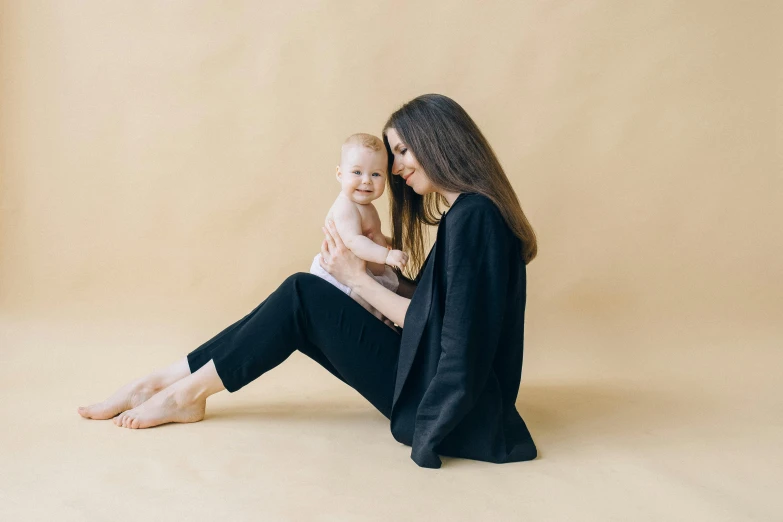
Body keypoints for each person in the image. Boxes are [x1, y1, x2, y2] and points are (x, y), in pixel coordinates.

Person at [77, 94, 539, 469]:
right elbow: (443, 311)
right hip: (438, 380)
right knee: (301, 297)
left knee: (303, 293)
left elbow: (447, 334)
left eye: (401, 150)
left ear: (437, 141)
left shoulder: (474, 216)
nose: (395, 168)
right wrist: (383, 280)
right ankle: (165, 382)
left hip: (455, 406)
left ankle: (183, 392)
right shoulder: (471, 213)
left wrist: (357, 280)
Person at [308, 132, 408, 331]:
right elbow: (354, 241)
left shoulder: (365, 206)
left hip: (365, 274)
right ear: (339, 174)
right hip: (343, 280)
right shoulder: (346, 207)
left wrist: (386, 240)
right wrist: (386, 255)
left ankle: (388, 325)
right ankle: (383, 327)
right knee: (366, 312)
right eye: (357, 172)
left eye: (376, 174)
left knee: (381, 303)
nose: (366, 181)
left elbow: (370, 234)